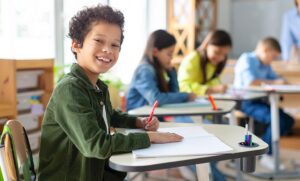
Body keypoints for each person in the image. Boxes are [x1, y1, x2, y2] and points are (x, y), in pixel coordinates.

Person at [38, 5, 183, 181]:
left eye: (115, 45)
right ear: (76, 44)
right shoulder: (70, 89)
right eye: (99, 41)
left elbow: (109, 116)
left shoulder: (97, 86)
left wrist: (138, 122)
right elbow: (96, 145)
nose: (108, 49)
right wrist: (149, 137)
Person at [234, 37, 295, 170]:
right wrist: (276, 83)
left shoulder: (266, 65)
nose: (272, 61)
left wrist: (284, 81)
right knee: (276, 120)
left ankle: (264, 146)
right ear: (265, 50)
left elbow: (275, 78)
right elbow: (251, 82)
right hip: (245, 101)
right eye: (272, 57)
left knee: (288, 120)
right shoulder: (246, 60)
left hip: (260, 101)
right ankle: (267, 155)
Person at [126, 29, 197, 113]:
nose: (171, 58)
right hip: (138, 120)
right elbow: (156, 100)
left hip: (152, 119)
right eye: (169, 54)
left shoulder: (157, 69)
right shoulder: (145, 70)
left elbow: (174, 94)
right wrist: (186, 96)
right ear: (155, 52)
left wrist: (172, 72)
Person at [178, 30, 232, 96]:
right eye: (216, 52)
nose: (220, 58)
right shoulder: (192, 59)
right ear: (206, 45)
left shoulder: (215, 63)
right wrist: (209, 89)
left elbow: (213, 81)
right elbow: (182, 86)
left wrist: (219, 88)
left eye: (224, 54)